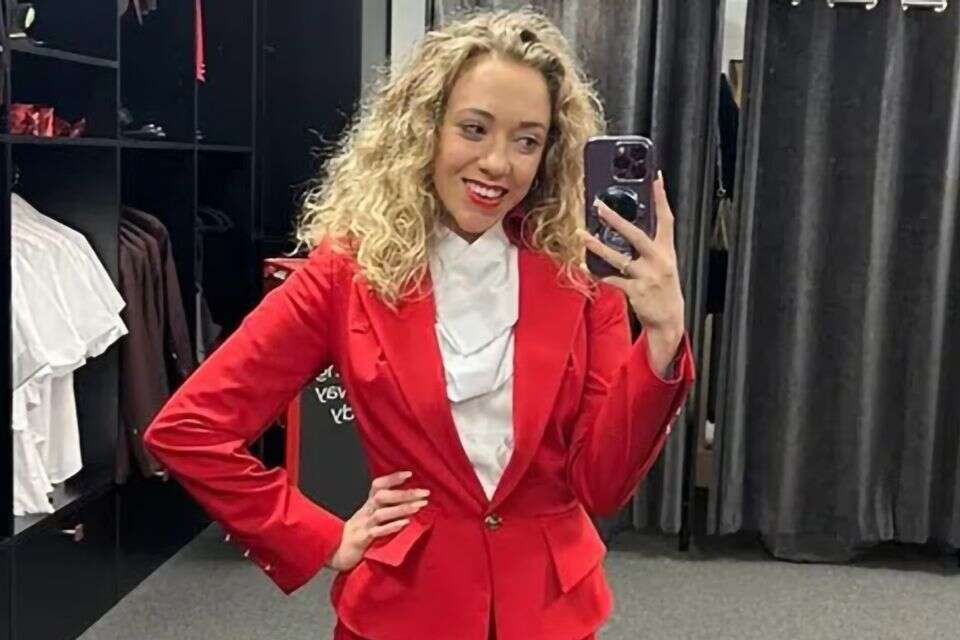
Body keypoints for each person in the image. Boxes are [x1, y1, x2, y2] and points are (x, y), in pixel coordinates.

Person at [143, 8, 695, 640]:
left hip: (548, 609)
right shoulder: (349, 273)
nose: (498, 163)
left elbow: (601, 484)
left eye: (526, 141)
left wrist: (662, 337)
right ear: (425, 128)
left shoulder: (579, 275)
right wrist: (320, 536)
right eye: (474, 129)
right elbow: (191, 430)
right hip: (404, 606)